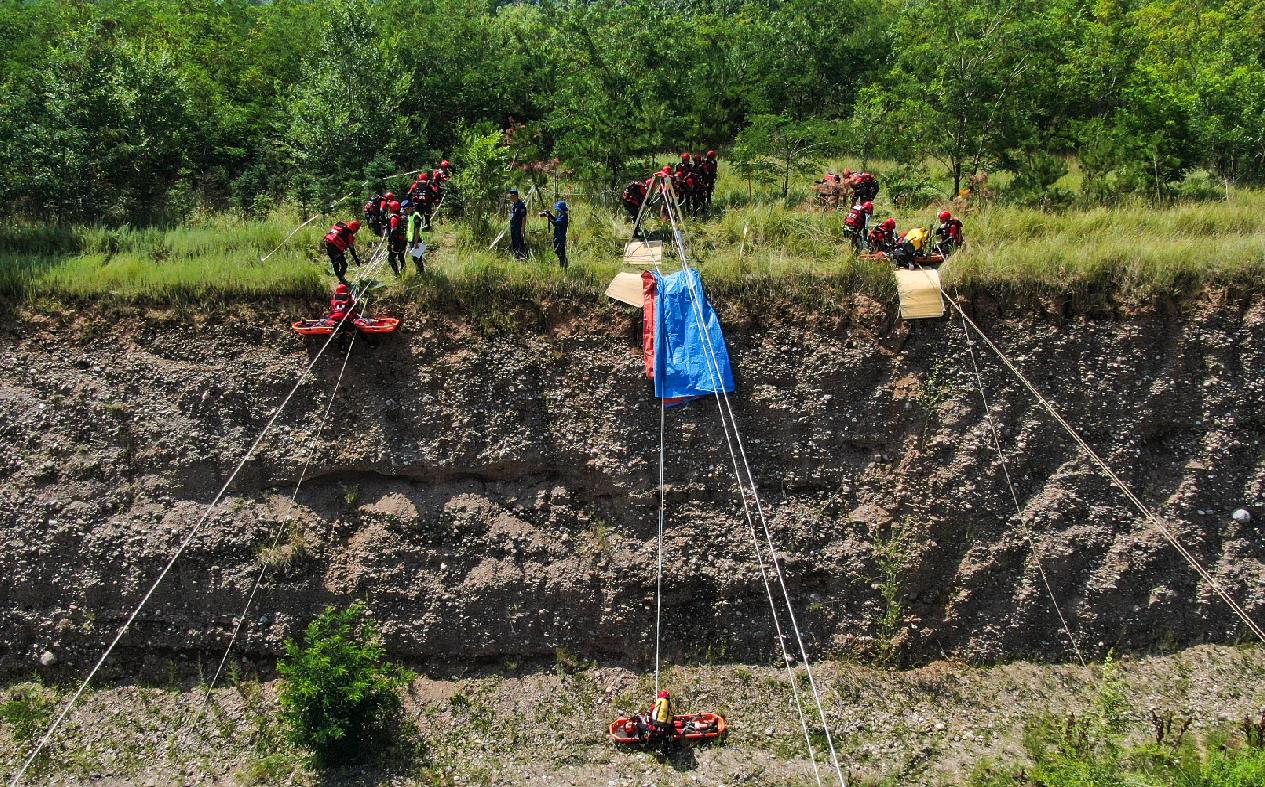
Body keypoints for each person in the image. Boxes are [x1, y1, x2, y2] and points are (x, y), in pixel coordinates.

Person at [323, 219, 361, 285]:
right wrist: (356, 260)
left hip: (328, 244)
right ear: (355, 228)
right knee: (344, 264)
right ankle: (342, 281)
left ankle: (341, 280)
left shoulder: (340, 225)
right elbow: (351, 249)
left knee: (336, 263)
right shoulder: (349, 234)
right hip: (335, 249)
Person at [538, 200, 569, 268]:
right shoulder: (561, 216)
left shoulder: (564, 217)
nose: (557, 210)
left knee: (561, 253)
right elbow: (555, 220)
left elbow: (555, 223)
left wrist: (548, 216)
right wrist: (549, 214)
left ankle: (564, 266)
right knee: (557, 251)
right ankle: (563, 265)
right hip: (557, 237)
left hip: (560, 238)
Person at [385, 200, 406, 276]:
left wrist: (390, 241)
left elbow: (394, 230)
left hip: (397, 242)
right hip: (403, 240)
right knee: (401, 257)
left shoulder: (393, 218)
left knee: (390, 258)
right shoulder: (402, 216)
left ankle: (397, 274)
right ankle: (403, 272)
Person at [405, 202, 426, 272]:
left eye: (407, 209)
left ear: (411, 208)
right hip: (411, 240)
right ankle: (419, 271)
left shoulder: (416, 216)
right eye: (405, 209)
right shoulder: (410, 215)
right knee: (415, 257)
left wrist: (416, 243)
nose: (406, 211)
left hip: (416, 240)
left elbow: (417, 230)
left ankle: (421, 272)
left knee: (416, 257)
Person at [508, 188, 528, 259]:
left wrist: (522, 230)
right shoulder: (514, 205)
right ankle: (516, 256)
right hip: (513, 227)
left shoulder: (521, 205)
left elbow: (523, 217)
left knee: (520, 242)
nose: (510, 197)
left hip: (519, 228)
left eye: (511, 196)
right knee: (514, 242)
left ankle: (522, 257)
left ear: (515, 196)